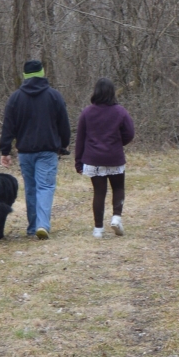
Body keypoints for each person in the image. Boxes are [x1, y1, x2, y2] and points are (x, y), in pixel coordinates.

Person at [0, 60, 70, 240]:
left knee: (31, 189)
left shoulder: (15, 98)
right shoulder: (54, 96)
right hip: (48, 150)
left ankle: (32, 227)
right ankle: (42, 225)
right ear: (42, 73)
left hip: (25, 152)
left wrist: (5, 151)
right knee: (45, 187)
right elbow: (64, 124)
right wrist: (64, 144)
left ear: (25, 76)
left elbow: (8, 127)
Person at [74, 77, 135, 238]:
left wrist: (78, 161)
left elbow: (80, 138)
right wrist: (119, 143)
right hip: (114, 156)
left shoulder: (87, 112)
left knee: (99, 192)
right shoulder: (120, 111)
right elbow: (130, 133)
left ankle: (98, 229)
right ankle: (116, 217)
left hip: (93, 159)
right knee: (119, 188)